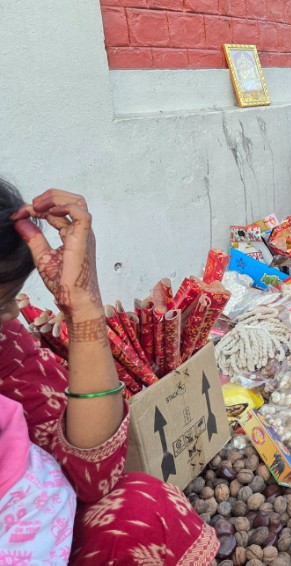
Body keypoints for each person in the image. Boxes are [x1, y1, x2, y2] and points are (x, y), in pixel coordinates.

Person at [0, 183, 219, 563]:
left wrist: (83, 309)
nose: (11, 316)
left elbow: (91, 476)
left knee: (140, 508)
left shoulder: (7, 345)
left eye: (7, 299)